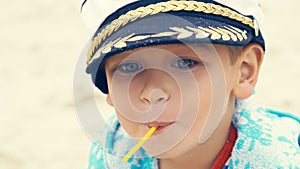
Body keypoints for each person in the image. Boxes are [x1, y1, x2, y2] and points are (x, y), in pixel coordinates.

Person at [79, 0, 300, 168]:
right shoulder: (110, 151)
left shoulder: (282, 160)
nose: (152, 92)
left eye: (185, 63)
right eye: (129, 68)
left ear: (244, 72)